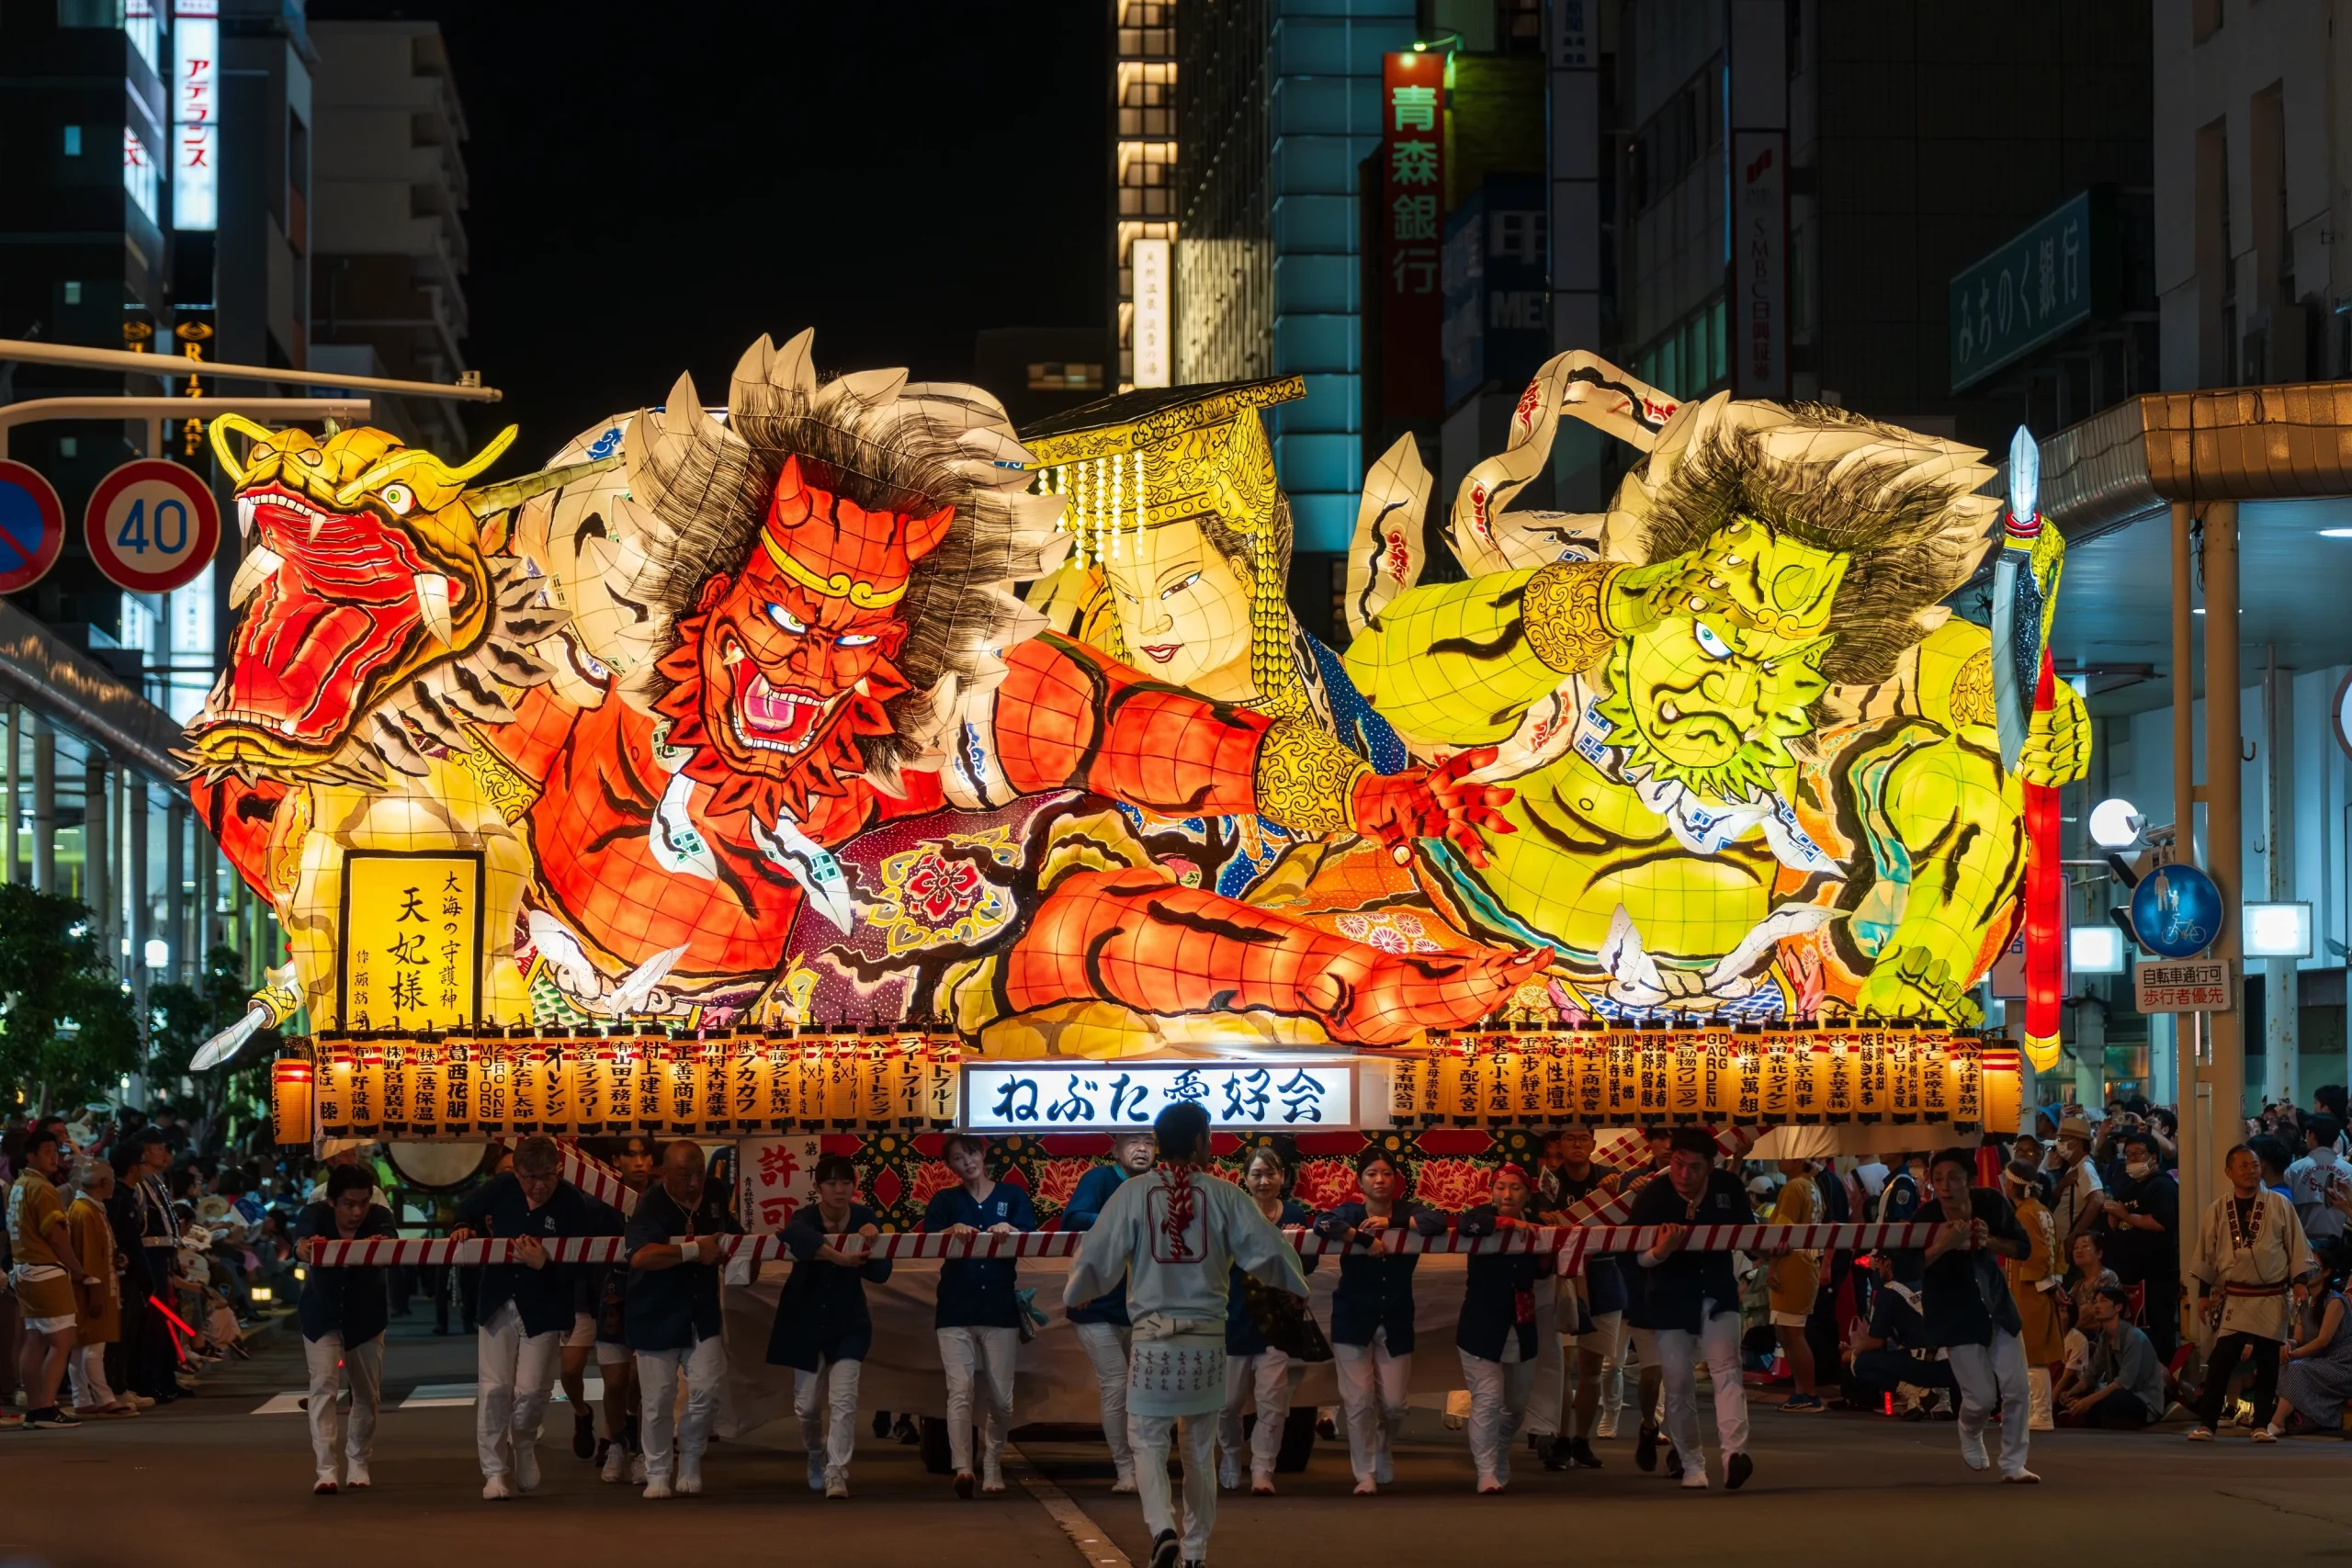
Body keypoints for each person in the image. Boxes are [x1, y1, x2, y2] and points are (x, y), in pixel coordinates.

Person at [1064, 1103, 1307, 1568]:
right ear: (1200, 1142)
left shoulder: (1133, 1194)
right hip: (1207, 1344)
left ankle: (1163, 1529)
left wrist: (1079, 1292)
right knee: (1198, 1450)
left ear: (1159, 1144)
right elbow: (1267, 1249)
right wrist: (1296, 1286)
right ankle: (1194, 1552)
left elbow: (1097, 1255)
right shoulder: (1225, 1195)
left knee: (1148, 1441)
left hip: (1154, 1343)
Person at [449, 1133, 613, 1501]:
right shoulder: (502, 1187)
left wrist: (546, 1264)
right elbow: (467, 1209)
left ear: (558, 1170)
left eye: (546, 1178)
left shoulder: (571, 1202)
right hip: (498, 1300)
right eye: (530, 1178)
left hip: (545, 1304)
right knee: (494, 1389)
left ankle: (523, 1445)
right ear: (517, 1172)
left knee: (533, 1390)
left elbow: (581, 1264)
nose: (539, 1187)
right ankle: (493, 1471)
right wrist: (464, 1226)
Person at [1313, 1147, 1448, 1495]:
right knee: (1358, 1401)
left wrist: (1394, 1224)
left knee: (1395, 1404)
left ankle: (1384, 1446)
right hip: (1352, 1319)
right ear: (1360, 1180)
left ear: (1395, 1180)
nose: (1379, 1179)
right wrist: (1363, 1238)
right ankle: (1365, 1474)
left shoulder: (1408, 1211)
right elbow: (1322, 1223)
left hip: (1397, 1318)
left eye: (1386, 1173)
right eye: (1372, 1173)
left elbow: (1439, 1222)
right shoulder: (1351, 1212)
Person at [1628, 1127, 1755, 1492]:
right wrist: (1659, 1252)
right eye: (1678, 1165)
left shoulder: (1729, 1189)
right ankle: (1690, 1462)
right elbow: (1631, 1259)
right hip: (1669, 1296)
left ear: (1711, 1167)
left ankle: (1734, 1455)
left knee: (1728, 1370)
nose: (1683, 1175)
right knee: (1679, 1382)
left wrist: (1768, 1253)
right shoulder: (1653, 1195)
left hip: (1717, 1292)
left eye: (1694, 1168)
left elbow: (1749, 1237)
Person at [767, 1153, 890, 1498]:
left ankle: (837, 1470)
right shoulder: (805, 1217)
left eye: (846, 1183)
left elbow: (882, 1272)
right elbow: (796, 1236)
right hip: (804, 1321)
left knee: (844, 1399)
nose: (839, 1190)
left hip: (848, 1322)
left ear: (854, 1185)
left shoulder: (865, 1216)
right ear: (818, 1187)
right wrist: (842, 1257)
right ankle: (814, 1454)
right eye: (831, 1183)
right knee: (806, 1407)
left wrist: (870, 1239)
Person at [922, 1133, 1035, 1497]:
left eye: (970, 1153)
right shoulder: (945, 1200)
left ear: (982, 1155)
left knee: (1002, 1398)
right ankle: (963, 1469)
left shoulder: (1012, 1195)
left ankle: (992, 1463)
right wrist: (948, 1232)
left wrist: (1011, 1230)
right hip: (955, 1307)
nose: (966, 1162)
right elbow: (926, 1238)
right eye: (957, 1158)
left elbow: (1030, 1234)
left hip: (999, 1308)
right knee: (961, 1390)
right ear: (950, 1166)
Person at [625, 1139, 739, 1499]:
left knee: (707, 1390)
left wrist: (737, 1253)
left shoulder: (715, 1193)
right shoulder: (651, 1205)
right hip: (655, 1312)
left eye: (698, 1175)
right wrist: (694, 1251)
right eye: (683, 1175)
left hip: (701, 1312)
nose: (693, 1183)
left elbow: (732, 1234)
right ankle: (658, 1470)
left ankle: (690, 1458)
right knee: (658, 1400)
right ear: (664, 1174)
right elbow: (641, 1257)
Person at [1917, 1147, 2036, 1483]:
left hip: (1997, 1306)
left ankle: (2013, 1464)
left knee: (2017, 1389)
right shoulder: (1925, 1218)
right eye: (1938, 1178)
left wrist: (1990, 1242)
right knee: (1982, 1398)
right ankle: (1969, 1430)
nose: (1945, 1186)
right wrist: (1944, 1244)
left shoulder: (1992, 1203)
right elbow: (1906, 1267)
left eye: (1954, 1177)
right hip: (1954, 1315)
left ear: (1970, 1180)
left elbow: (2022, 1248)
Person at [2186, 1143, 2314, 1443]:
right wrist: (2204, 1294)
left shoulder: (2281, 1204)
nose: (2250, 1170)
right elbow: (2206, 1254)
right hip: (2238, 1297)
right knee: (2221, 1361)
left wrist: (2300, 1282)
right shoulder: (2218, 1208)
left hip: (2271, 1295)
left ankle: (2260, 1425)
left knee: (2269, 1361)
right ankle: (2207, 1423)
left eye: (2255, 1165)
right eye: (2243, 1166)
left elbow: (2296, 1245)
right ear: (2229, 1171)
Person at [1217, 1145, 1316, 1495]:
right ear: (1244, 1179)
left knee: (1273, 1403)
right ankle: (1230, 1455)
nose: (1264, 1181)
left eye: (1271, 1173)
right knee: (1226, 1404)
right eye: (1256, 1174)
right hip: (1233, 1320)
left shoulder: (1295, 1215)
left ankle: (1263, 1468)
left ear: (1283, 1178)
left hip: (1276, 1324)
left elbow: (1308, 1266)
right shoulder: (1232, 1214)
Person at [294, 1165, 399, 1492]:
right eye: (348, 1204)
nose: (356, 1211)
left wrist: (384, 1246)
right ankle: (325, 1468)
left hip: (366, 1317)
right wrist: (305, 1247)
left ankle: (359, 1460)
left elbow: (393, 1246)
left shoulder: (380, 1216)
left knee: (367, 1394)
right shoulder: (313, 1214)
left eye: (363, 1203)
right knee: (323, 1385)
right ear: (332, 1202)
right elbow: (298, 1242)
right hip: (321, 1314)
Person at [1062, 1130, 1156, 1495]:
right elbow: (1073, 1218)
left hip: (1144, 1305)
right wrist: (1124, 1218)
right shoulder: (1099, 1179)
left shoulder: (1160, 1183)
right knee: (1116, 1385)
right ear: (1115, 1149)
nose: (1142, 1149)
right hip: (1097, 1304)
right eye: (1133, 1142)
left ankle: (1146, 1461)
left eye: (1148, 1143)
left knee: (1145, 1388)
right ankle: (1125, 1468)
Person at [1454, 1162, 1544, 1494]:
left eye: (1515, 1188)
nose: (1507, 1194)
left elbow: (1545, 1271)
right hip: (1480, 1322)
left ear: (1527, 1191)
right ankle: (1486, 1470)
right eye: (1501, 1187)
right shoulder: (1479, 1216)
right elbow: (1466, 1225)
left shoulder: (1539, 1222)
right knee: (1488, 1399)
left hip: (1522, 1322)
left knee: (1517, 1406)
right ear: (1491, 1191)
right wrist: (1510, 1223)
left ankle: (1501, 1449)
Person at [1535, 1126, 1622, 1468]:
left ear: (1593, 1144)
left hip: (1604, 1278)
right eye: (1569, 1138)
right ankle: (1560, 1438)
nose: (1576, 1145)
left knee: (1592, 1369)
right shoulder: (1547, 1184)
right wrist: (1542, 1218)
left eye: (1583, 1139)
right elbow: (1538, 1221)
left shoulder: (1612, 1180)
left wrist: (1620, 1194)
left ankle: (1582, 1440)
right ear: (1559, 1144)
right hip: (1563, 1280)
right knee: (1563, 1366)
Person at [10, 1125, 96, 1429]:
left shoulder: (20, 1185)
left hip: (23, 1270)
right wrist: (76, 1268)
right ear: (31, 1155)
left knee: (34, 1340)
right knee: (62, 1341)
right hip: (46, 1270)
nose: (53, 1157)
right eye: (46, 1152)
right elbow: (56, 1235)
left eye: (54, 1151)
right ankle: (45, 1408)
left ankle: (36, 1409)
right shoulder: (42, 1188)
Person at [592, 1132, 656, 1483]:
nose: (640, 1163)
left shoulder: (663, 1198)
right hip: (613, 1293)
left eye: (646, 1155)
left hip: (654, 1292)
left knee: (645, 1379)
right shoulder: (601, 1201)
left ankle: (644, 1449)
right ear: (617, 1161)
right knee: (615, 1383)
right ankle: (617, 1442)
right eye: (631, 1155)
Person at [2101, 1128, 2181, 1359]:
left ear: (2154, 1157)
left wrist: (2125, 1216)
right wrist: (2114, 1218)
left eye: (2138, 1153)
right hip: (2129, 1274)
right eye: (2128, 1155)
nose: (2132, 1159)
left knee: (2156, 1335)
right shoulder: (2128, 1185)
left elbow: (2160, 1222)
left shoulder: (2162, 1185)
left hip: (2156, 1275)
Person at [1845, 1251, 1955, 1416]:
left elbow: (1877, 1342)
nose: (1876, 1267)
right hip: (1952, 1365)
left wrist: (1853, 1353)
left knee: (1860, 1364)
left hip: (1923, 1366)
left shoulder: (1888, 1292)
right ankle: (1939, 1398)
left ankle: (1914, 1392)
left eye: (1878, 1262)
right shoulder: (1928, 1283)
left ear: (1887, 1264)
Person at [1999, 1157, 2064, 1431]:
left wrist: (2043, 1282)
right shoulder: (2041, 1210)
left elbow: (2036, 1255)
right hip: (2038, 1287)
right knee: (2029, 1355)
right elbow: (2056, 1253)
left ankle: (2041, 1413)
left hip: (2028, 1290)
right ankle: (2033, 1412)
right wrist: (2054, 1282)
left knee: (2032, 1356)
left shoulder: (2025, 1214)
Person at [64, 1160, 130, 1418]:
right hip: (93, 1289)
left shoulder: (89, 1209)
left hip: (95, 1285)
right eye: (112, 1179)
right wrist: (95, 1291)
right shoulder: (85, 1211)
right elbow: (88, 1257)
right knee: (93, 1347)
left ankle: (82, 1399)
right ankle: (105, 1399)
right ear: (104, 1183)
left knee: (82, 1347)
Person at [2056, 1285, 2167, 1429]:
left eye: (2103, 1301)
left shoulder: (2134, 1337)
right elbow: (2091, 1374)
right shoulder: (2104, 1337)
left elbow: (2123, 1383)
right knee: (2087, 1400)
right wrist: (2071, 1392)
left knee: (2115, 1398)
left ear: (2118, 1307)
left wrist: (2089, 1401)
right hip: (2118, 1394)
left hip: (2143, 1399)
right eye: (2095, 1301)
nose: (2096, 1305)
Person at [1764, 1158, 1826, 1413]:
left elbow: (1782, 1234)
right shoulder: (1812, 1186)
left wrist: (1774, 1266)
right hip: (1807, 1260)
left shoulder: (1793, 1187)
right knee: (1789, 1332)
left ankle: (1808, 1394)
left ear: (1800, 1160)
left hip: (1793, 1263)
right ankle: (1802, 1392)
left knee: (1793, 1332)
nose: (1780, 1159)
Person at [2269, 1259, 2352, 1437]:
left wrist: (2293, 1355)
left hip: (2341, 1364)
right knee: (2280, 1363)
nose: (2308, 1271)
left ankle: (2277, 1421)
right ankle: (2286, 1416)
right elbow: (2298, 1339)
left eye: (2314, 1267)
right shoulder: (2305, 1302)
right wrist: (2286, 1345)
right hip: (2316, 1360)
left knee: (2297, 1368)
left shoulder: (2334, 1301)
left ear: (2326, 1272)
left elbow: (2323, 1340)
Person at [2286, 1115, 2350, 1248]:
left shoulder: (2295, 1169)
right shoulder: (2349, 1169)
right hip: (2341, 1244)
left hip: (2306, 1243)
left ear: (2312, 1135)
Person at [2045, 1116, 2105, 1246]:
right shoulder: (2075, 1167)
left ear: (2076, 1142)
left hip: (2069, 1243)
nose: (2058, 1144)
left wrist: (2075, 1235)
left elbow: (2097, 1200)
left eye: (2061, 1139)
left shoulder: (2085, 1168)